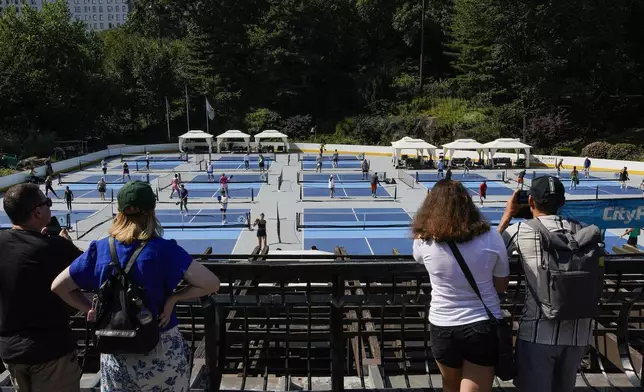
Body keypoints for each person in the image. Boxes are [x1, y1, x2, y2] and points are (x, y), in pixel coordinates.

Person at [51, 181, 220, 392]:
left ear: (119, 212)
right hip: (160, 348)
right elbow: (212, 283)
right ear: (152, 211)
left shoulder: (99, 249)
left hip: (115, 351)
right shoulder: (165, 250)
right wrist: (173, 298)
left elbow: (59, 286)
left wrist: (91, 309)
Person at [497, 176, 595, 392]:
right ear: (562, 202)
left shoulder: (520, 230)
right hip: (579, 333)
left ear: (530, 201)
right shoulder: (582, 231)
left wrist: (508, 215)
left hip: (537, 333)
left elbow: (487, 257)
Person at [412, 180, 509, 392]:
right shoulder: (492, 237)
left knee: (450, 386)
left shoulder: (423, 240)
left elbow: (419, 257)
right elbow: (501, 286)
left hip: (441, 325)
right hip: (482, 325)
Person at [0, 184, 82, 392]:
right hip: (51, 352)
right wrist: (65, 244)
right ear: (37, 212)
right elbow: (91, 270)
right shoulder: (55, 247)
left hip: (11, 352)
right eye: (48, 203)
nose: (49, 207)